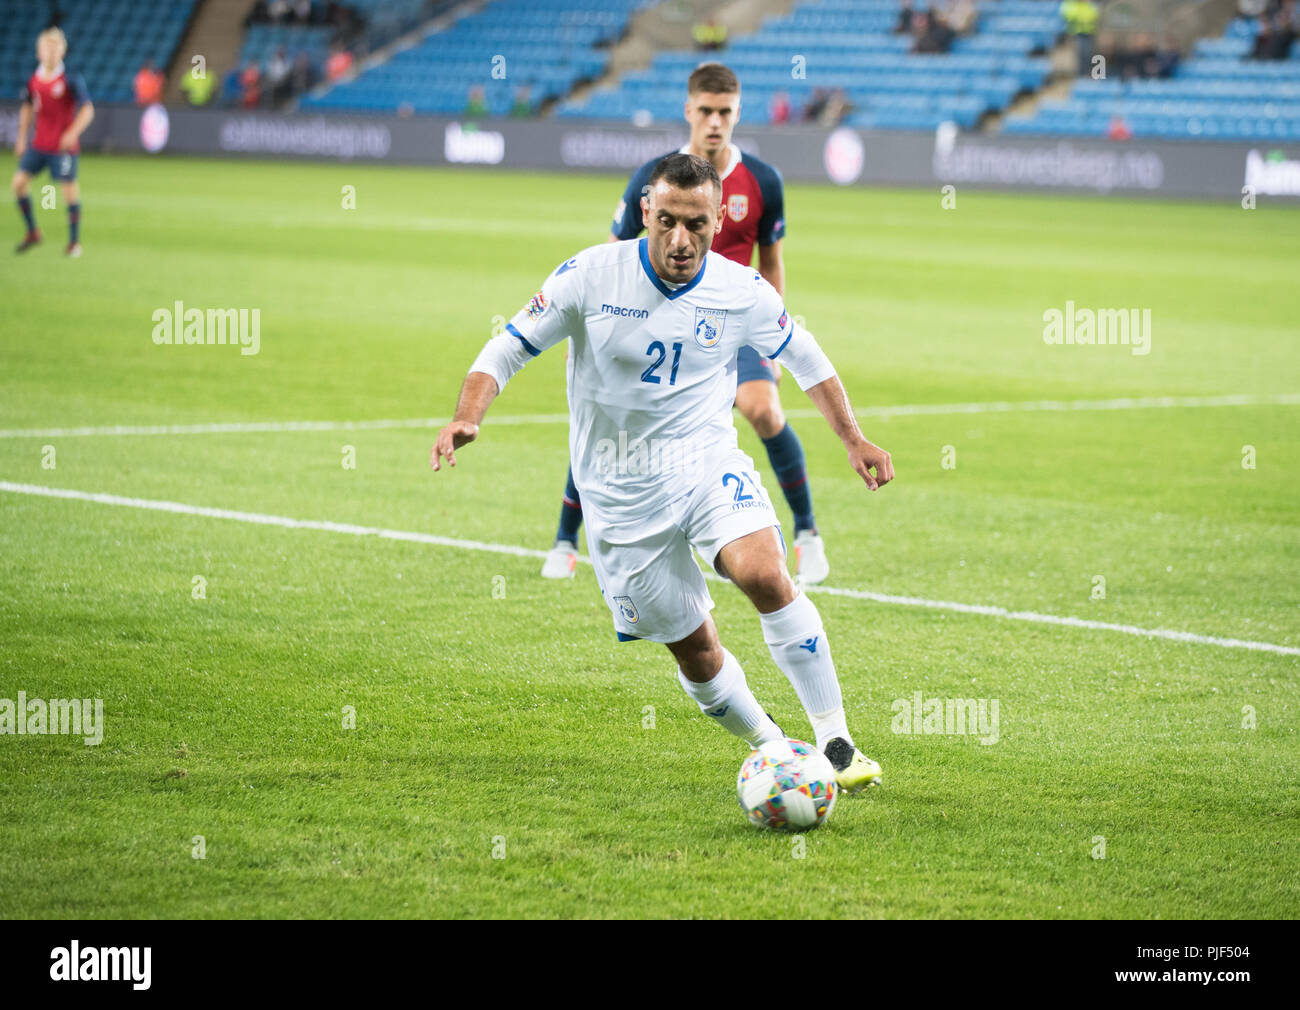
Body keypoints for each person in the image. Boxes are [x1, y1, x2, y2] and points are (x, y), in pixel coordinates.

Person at [433, 153, 892, 790]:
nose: (681, 240)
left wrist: (853, 438)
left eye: (697, 225)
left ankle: (836, 742)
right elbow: (507, 346)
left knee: (764, 573)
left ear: (717, 219)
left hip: (703, 464)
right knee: (698, 651)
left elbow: (808, 357)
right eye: (668, 221)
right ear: (645, 212)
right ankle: (775, 749)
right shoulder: (590, 275)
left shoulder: (739, 289)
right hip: (619, 497)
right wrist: (467, 415)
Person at [542, 63, 833, 586]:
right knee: (617, 419)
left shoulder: (764, 181)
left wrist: (771, 341)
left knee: (764, 411)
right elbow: (610, 256)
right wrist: (588, 332)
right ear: (689, 111)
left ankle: (807, 534)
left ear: (738, 112)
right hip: (651, 321)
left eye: (725, 112)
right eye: (706, 111)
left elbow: (772, 263)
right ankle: (565, 538)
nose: (715, 122)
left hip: (731, 325)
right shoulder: (654, 177)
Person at [12, 27, 93, 257]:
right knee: (18, 184)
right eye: (47, 47)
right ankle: (32, 232)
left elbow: (88, 110)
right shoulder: (33, 80)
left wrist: (72, 132)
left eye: (55, 48)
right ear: (39, 52)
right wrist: (21, 137)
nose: (51, 52)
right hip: (39, 144)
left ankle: (74, 243)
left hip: (63, 148)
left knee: (69, 191)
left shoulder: (71, 79)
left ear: (63, 51)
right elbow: (27, 107)